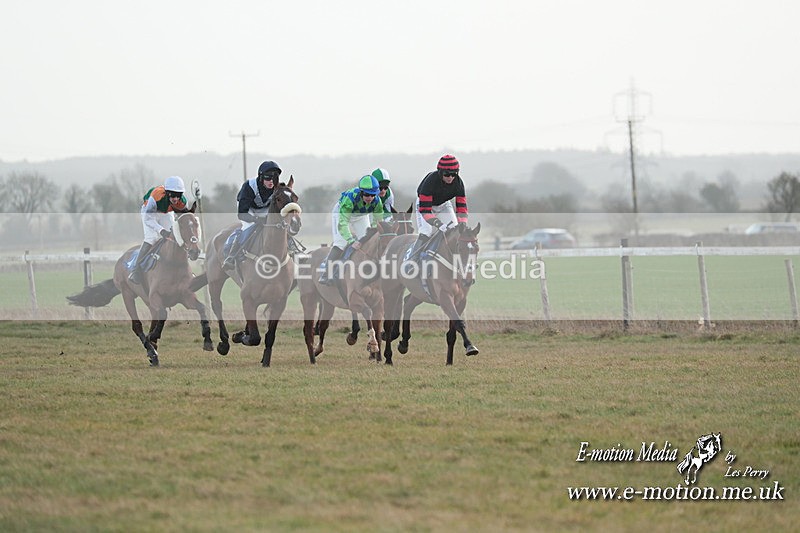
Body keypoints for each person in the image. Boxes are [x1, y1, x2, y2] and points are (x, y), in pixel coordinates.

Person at [318, 174, 385, 285]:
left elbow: (378, 222)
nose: (370, 198)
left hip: (361, 216)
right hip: (342, 214)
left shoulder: (377, 202)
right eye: (367, 195)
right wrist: (351, 241)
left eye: (373, 195)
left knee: (369, 242)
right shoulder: (351, 198)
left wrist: (370, 234)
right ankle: (326, 273)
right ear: (362, 192)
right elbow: (343, 223)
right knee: (341, 243)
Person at [128, 175, 191, 284]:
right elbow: (148, 218)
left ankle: (184, 268)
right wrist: (160, 230)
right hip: (150, 213)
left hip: (166, 213)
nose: (176, 199)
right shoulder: (156, 196)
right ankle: (136, 270)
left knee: (174, 236)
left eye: (178, 195)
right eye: (173, 195)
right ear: (167, 193)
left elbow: (184, 220)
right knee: (152, 238)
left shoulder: (183, 202)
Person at [407, 154, 468, 261]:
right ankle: (413, 259)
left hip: (444, 204)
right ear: (440, 172)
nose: (450, 177)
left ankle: (456, 260)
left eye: (454, 174)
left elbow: (462, 208)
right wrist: (437, 223)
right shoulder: (430, 182)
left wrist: (462, 223)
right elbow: (425, 210)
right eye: (447, 174)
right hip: (425, 205)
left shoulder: (459, 183)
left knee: (455, 230)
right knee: (426, 231)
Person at [222, 160, 282, 269]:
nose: (271, 182)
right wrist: (256, 219)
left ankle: (293, 248)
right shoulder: (249, 186)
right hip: (248, 209)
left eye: (274, 178)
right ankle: (232, 255)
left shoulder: (277, 189)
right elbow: (241, 214)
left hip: (265, 209)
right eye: (268, 178)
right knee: (249, 227)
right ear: (261, 177)